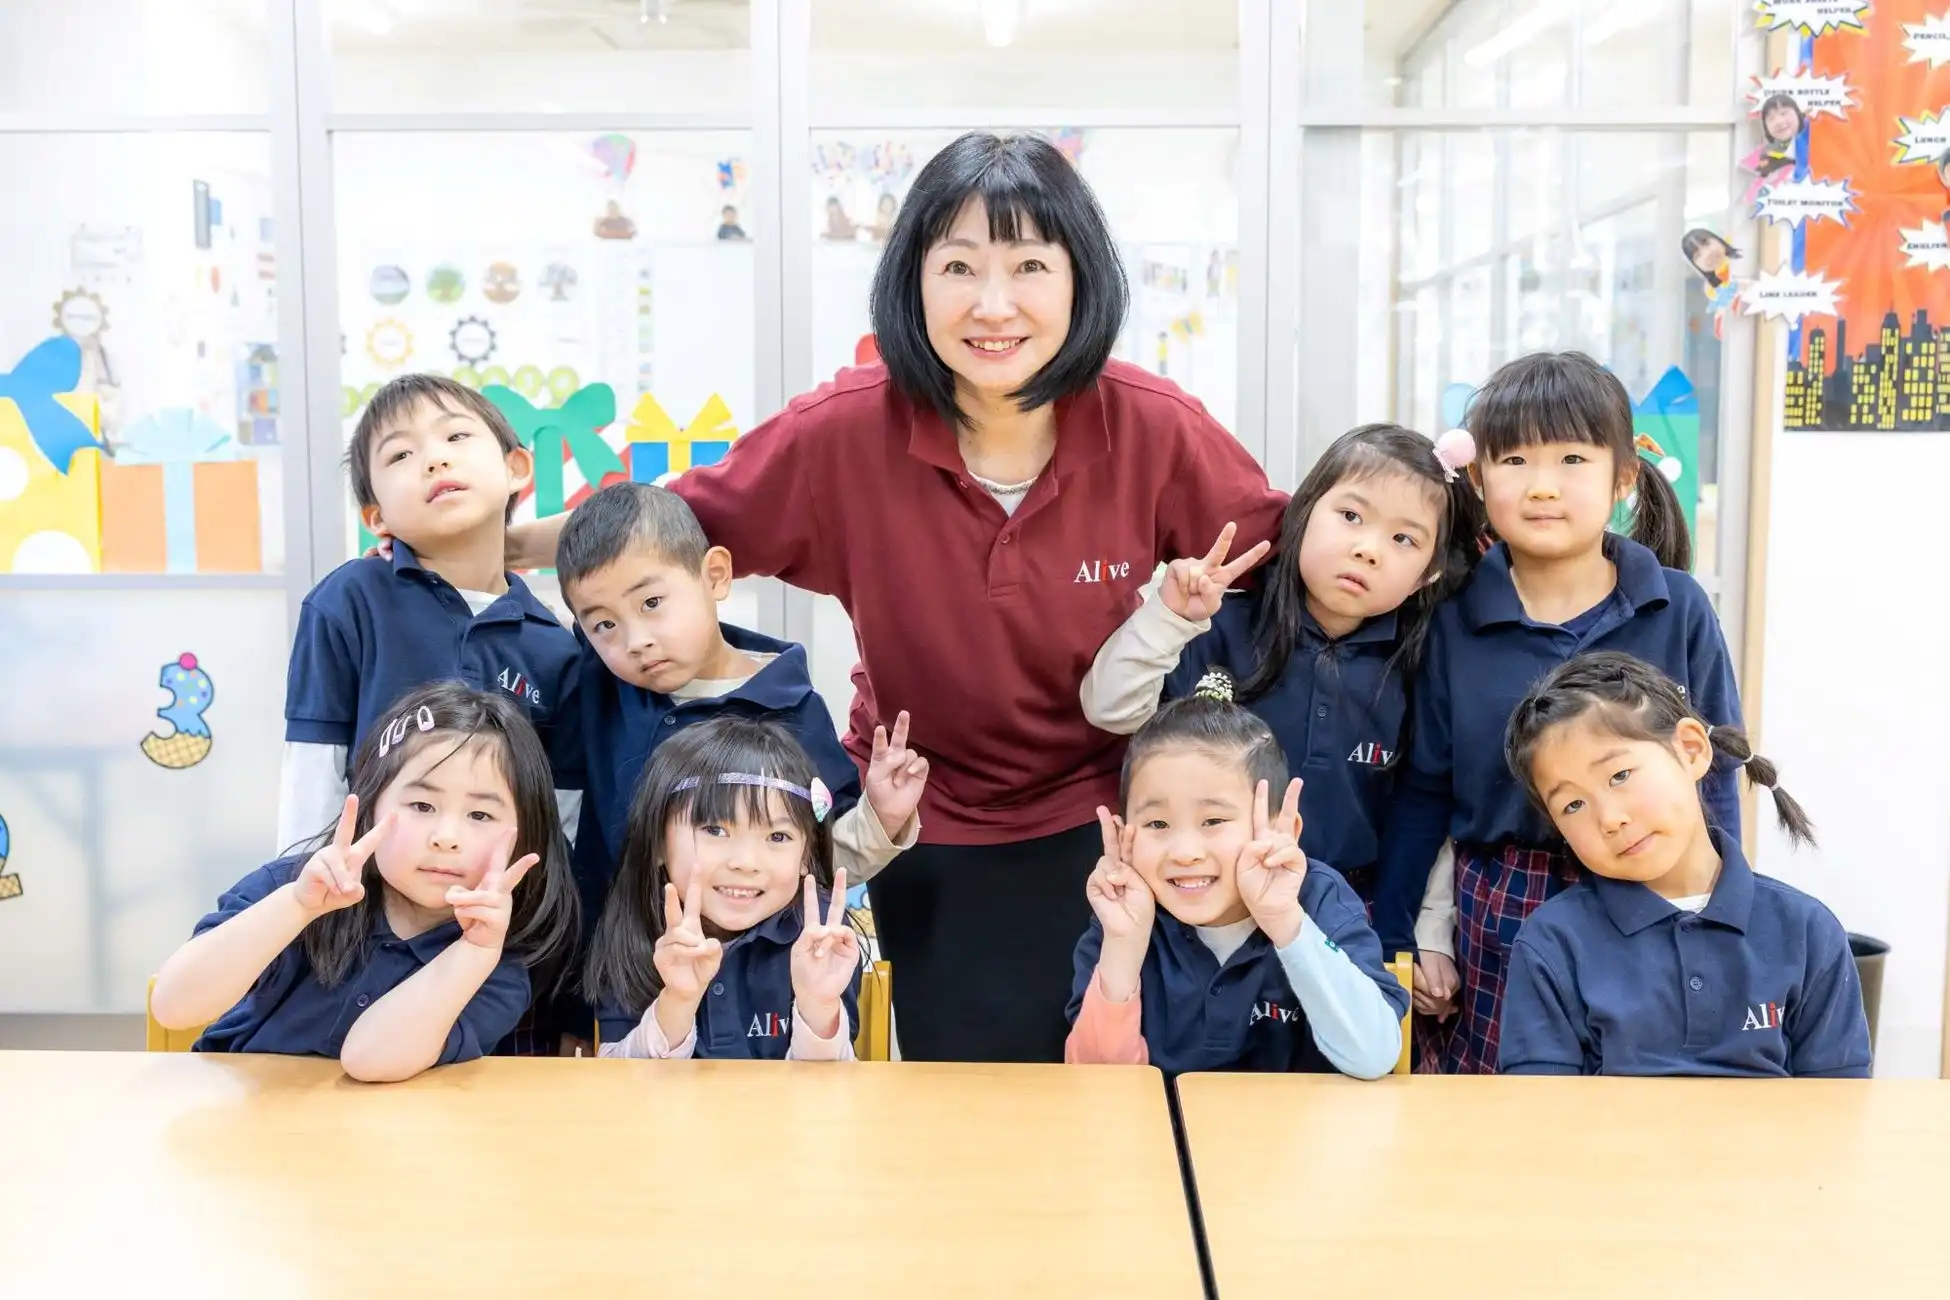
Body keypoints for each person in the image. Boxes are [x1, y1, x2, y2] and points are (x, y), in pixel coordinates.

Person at [491, 132, 1285, 1063]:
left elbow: (1283, 561)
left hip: (1100, 818)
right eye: (958, 266)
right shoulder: (845, 433)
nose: (994, 305)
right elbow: (667, 524)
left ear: (1083, 279)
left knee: (1099, 1096)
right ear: (914, 282)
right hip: (917, 820)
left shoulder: (1155, 427)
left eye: (1030, 264)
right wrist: (492, 543)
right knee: (947, 1099)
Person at [1371, 350, 1741, 1074]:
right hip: (1504, 906)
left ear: (1623, 476)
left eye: (1572, 457)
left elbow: (1718, 773)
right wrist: (1401, 941)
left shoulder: (1678, 605)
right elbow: (1424, 793)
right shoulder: (1450, 619)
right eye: (1513, 461)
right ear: (1478, 481)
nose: (1542, 487)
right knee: (1508, 1123)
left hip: (1653, 887)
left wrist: (1726, 920)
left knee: (1645, 1111)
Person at [1081, 423, 1487, 905]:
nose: (1368, 549)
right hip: (1205, 904)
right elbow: (1108, 709)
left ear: (1428, 576)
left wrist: (1426, 925)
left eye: (1404, 539)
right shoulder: (1216, 626)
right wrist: (1169, 618)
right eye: (1351, 515)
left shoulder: (1419, 665)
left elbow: (1425, 807)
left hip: (1343, 910)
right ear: (1303, 513)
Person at [150, 683, 579, 1082]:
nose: (445, 837)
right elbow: (174, 1005)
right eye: (422, 805)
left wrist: (473, 953)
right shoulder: (294, 885)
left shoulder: (496, 967)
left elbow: (369, 1060)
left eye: (480, 815)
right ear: (371, 804)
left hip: (376, 1146)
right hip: (235, 1122)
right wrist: (297, 907)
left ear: (526, 833)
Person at [554, 481, 925, 921]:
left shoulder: (790, 711)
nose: (636, 641)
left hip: (758, 975)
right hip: (621, 974)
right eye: (604, 625)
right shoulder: (600, 681)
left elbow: (824, 859)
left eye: (651, 602)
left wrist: (880, 817)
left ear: (715, 576)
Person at [1498, 652, 1868, 1078]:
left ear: (1691, 750)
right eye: (1573, 804)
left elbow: (1838, 1108)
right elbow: (1540, 1118)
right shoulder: (1551, 943)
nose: (1609, 818)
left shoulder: (1807, 932)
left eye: (1619, 775)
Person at [278, 374, 581, 863]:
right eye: (401, 455)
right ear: (376, 517)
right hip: (363, 908)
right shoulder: (350, 600)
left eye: (456, 436)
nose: (435, 459)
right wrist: (300, 907)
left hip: (499, 916)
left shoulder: (556, 645)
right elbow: (314, 773)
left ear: (516, 467)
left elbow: (561, 811)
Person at [1064, 673, 1407, 1077]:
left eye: (1213, 820)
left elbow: (1373, 1056)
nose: (1185, 852)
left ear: (1285, 829)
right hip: (1160, 1138)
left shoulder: (1317, 899)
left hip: (1299, 1138)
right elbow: (1097, 1088)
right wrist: (1124, 944)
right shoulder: (1124, 916)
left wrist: (1285, 922)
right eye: (1157, 824)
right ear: (1125, 835)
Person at [588, 717, 862, 1059]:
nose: (746, 862)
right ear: (658, 841)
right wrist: (677, 1002)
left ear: (807, 853)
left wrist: (817, 1006)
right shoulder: (635, 921)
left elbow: (830, 1096)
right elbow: (618, 1085)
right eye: (715, 830)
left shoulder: (820, 933)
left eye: (778, 836)